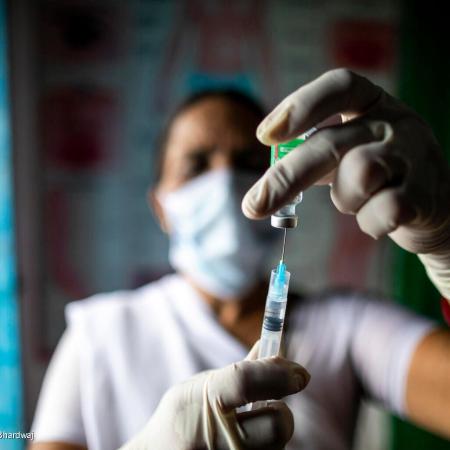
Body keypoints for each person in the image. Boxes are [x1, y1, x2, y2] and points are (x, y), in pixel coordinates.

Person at [29, 70, 450, 450]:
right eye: (196, 166)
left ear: (284, 183)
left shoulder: (347, 327)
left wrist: (446, 244)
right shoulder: (101, 334)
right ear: (160, 206)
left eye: (249, 163)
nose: (224, 182)